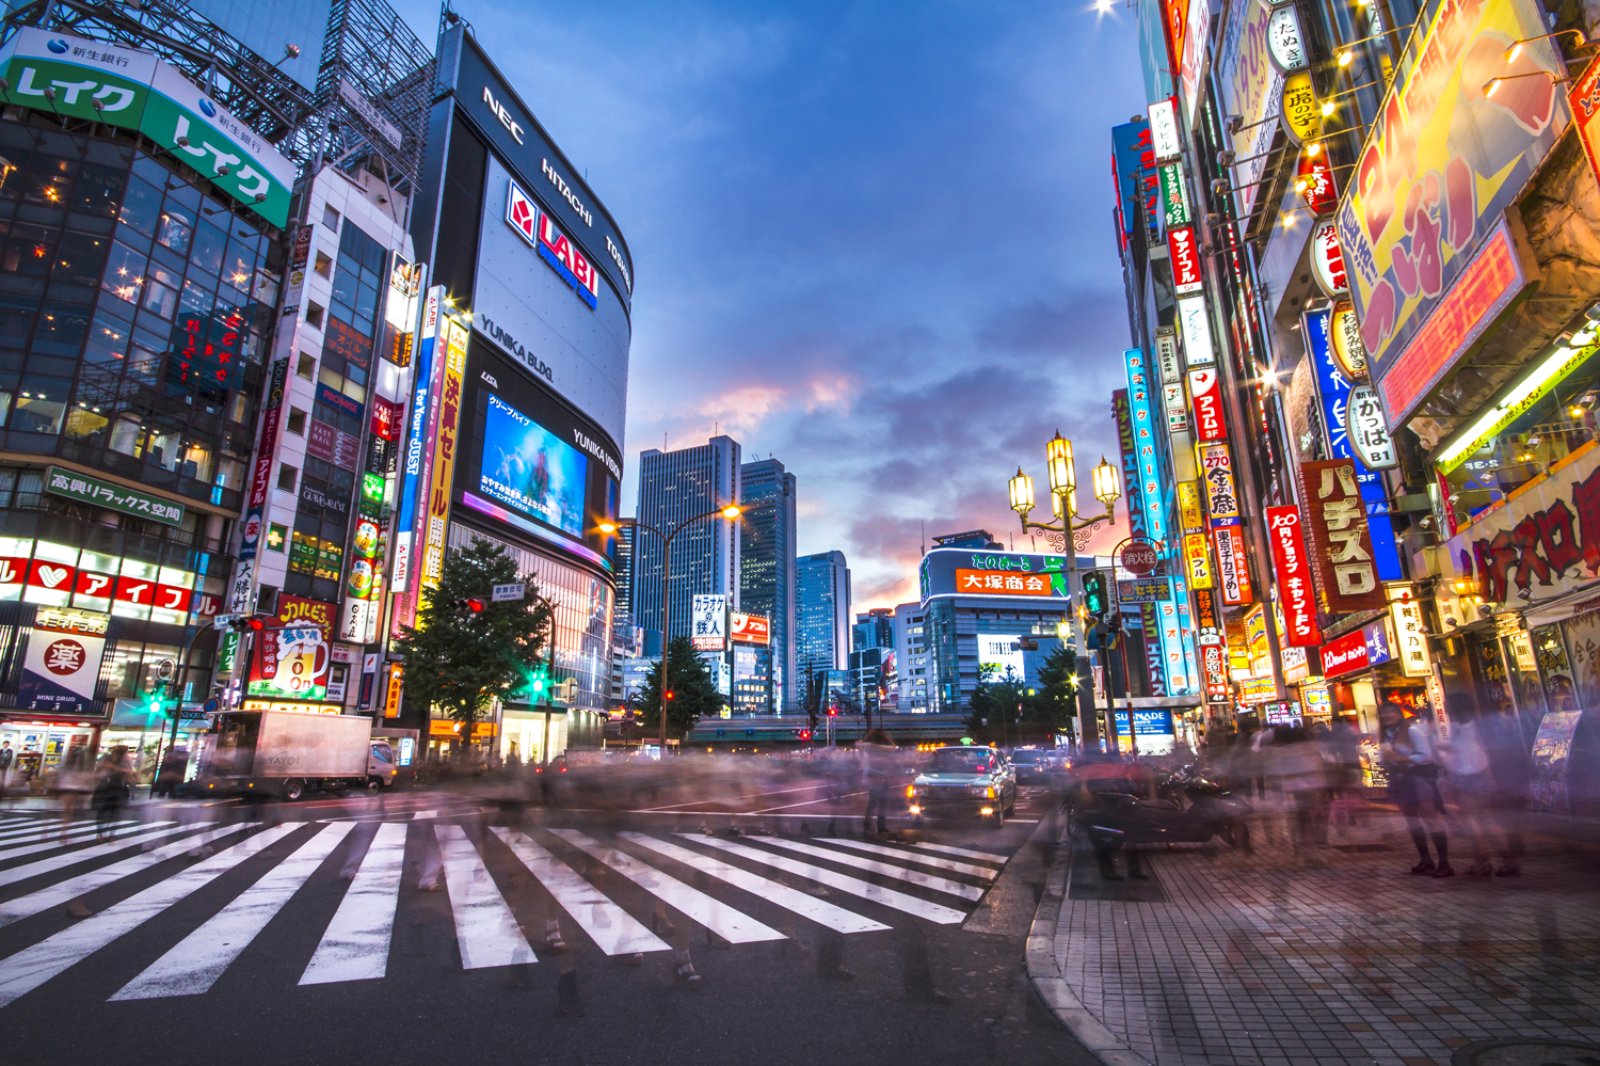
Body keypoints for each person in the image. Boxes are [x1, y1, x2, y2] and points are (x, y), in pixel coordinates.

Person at [1378, 701, 1452, 877]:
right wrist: (1386, 762)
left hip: (1418, 779)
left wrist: (1401, 758)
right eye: (1383, 713)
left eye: (1390, 712)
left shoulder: (1412, 731)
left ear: (1399, 714)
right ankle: (1425, 860)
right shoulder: (1386, 735)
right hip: (1400, 780)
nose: (1387, 716)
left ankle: (1444, 863)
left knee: (1430, 819)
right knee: (1412, 821)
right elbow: (1386, 758)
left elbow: (1425, 756)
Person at [1478, 690, 1530, 876]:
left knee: (1504, 815)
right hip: (1509, 775)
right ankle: (1514, 845)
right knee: (1509, 813)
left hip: (1504, 776)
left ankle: (1512, 851)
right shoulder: (1513, 729)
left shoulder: (1494, 733)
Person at [90, 745, 134, 841]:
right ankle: (102, 833)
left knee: (114, 812)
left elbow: (129, 773)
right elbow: (97, 772)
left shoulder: (125, 761)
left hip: (116, 787)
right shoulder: (106, 759)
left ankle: (107, 833)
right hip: (107, 787)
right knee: (105, 811)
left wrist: (114, 768)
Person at [860, 729, 896, 836]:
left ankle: (867, 825)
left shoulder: (868, 747)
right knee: (882, 804)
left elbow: (863, 746)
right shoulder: (882, 748)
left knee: (872, 803)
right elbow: (893, 747)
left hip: (873, 777)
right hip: (882, 777)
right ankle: (881, 827)